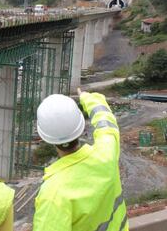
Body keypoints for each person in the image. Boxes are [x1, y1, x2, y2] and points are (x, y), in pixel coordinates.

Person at [33, 88, 128, 231]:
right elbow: (106, 120)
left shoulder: (53, 193)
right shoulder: (106, 154)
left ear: (45, 137)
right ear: (81, 124)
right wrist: (86, 97)